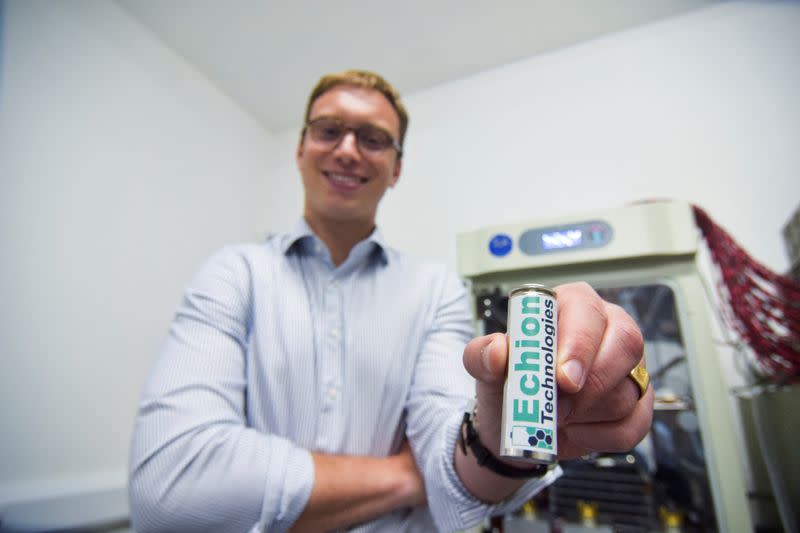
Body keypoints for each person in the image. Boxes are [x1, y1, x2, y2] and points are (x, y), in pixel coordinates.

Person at [128, 70, 653, 533]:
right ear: (300, 148)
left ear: (396, 168)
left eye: (374, 139)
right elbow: (169, 491)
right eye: (329, 130)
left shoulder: (436, 290)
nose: (348, 149)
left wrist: (497, 444)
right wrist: (410, 474)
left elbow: (460, 472)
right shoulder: (233, 272)